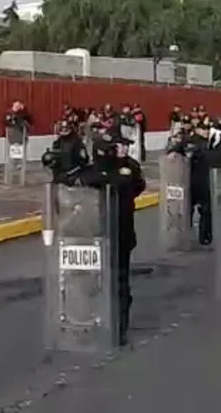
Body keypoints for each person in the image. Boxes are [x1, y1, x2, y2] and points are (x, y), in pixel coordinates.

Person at [69, 134, 145, 346]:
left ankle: (119, 328)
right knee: (94, 281)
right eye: (116, 147)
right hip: (96, 232)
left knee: (120, 281)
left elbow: (134, 185)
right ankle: (94, 321)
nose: (121, 150)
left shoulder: (128, 168)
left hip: (121, 232)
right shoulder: (93, 170)